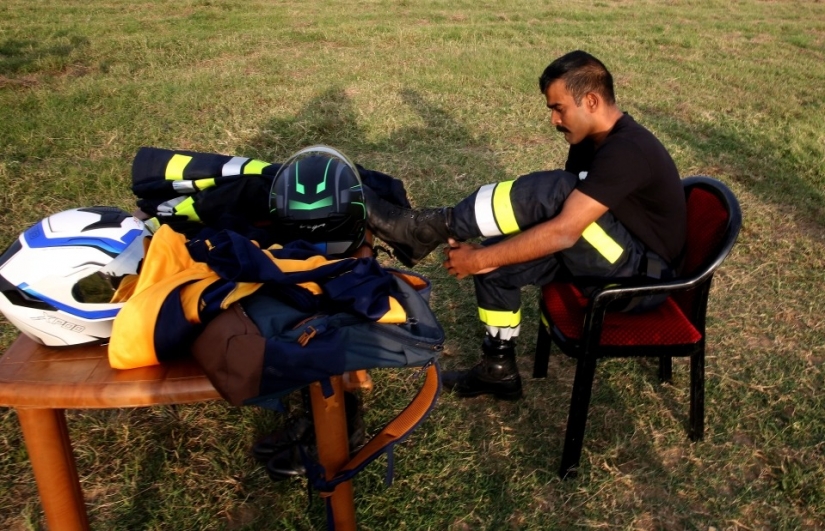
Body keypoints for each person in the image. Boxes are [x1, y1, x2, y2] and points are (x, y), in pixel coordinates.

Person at [364, 50, 686, 400]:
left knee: (555, 196)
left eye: (558, 108)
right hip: (609, 253)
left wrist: (476, 258)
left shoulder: (627, 150)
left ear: (591, 101)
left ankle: (429, 228)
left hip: (640, 282)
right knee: (496, 264)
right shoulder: (589, 143)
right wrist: (488, 259)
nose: (553, 120)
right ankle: (498, 369)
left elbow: (565, 229)